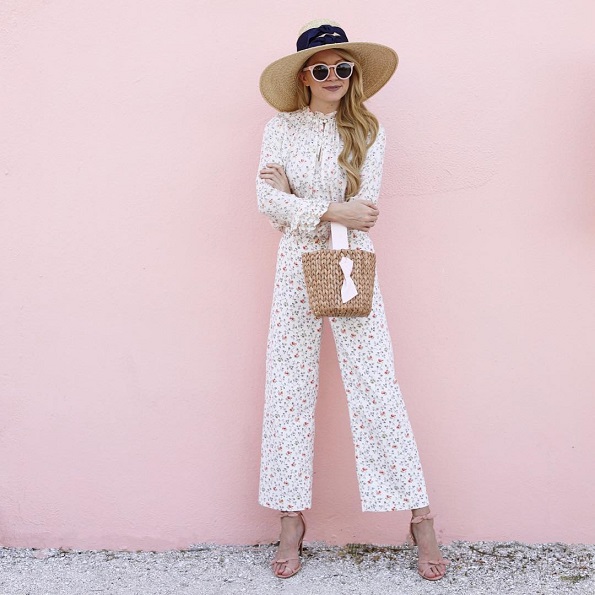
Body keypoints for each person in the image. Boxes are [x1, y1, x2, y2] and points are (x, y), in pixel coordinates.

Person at [255, 19, 449, 581]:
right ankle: (290, 519)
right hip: (295, 267)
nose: (333, 76)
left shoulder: (369, 129)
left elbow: (364, 209)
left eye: (343, 67)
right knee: (288, 385)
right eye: (321, 69)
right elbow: (266, 202)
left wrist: (302, 202)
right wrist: (326, 208)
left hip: (350, 262)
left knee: (376, 383)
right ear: (304, 77)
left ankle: (420, 518)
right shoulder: (280, 129)